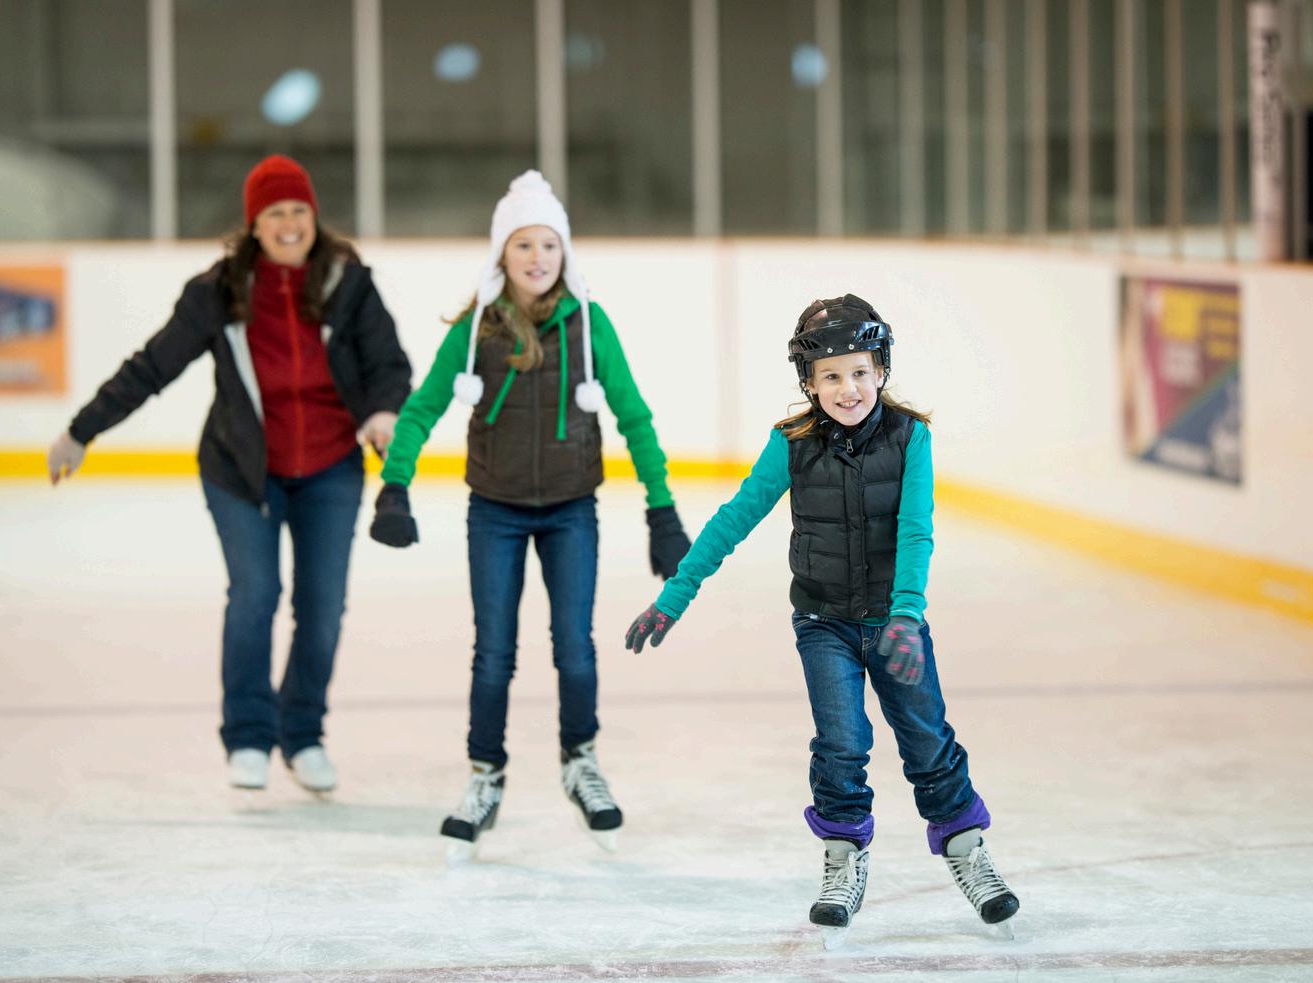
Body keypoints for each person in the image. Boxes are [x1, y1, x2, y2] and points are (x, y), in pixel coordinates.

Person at [624, 294, 1019, 945]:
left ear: (881, 369)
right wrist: (676, 594)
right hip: (823, 622)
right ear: (808, 382)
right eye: (830, 375)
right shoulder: (792, 445)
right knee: (841, 742)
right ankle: (842, 858)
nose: (848, 388)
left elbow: (916, 531)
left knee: (926, 739)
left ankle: (967, 851)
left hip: (894, 621)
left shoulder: (910, 437)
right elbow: (733, 520)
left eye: (860, 371)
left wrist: (906, 614)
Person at [46, 154, 412, 795]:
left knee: (322, 607)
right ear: (254, 224)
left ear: (313, 216)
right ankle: (248, 735)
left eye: (298, 210)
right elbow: (151, 367)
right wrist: (82, 430)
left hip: (330, 467)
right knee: (255, 594)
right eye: (275, 213)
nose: (289, 224)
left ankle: (303, 736)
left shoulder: (348, 284)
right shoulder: (218, 292)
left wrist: (384, 411)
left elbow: (389, 363)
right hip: (242, 470)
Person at [369, 170, 690, 854]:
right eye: (523, 244)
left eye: (549, 244)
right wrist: (394, 485)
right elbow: (422, 408)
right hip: (495, 511)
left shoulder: (590, 323)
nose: (538, 257)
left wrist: (661, 508)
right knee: (493, 653)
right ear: (502, 254)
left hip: (571, 509)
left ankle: (581, 762)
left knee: (575, 646)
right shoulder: (477, 329)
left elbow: (633, 415)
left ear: (564, 251)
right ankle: (484, 776)